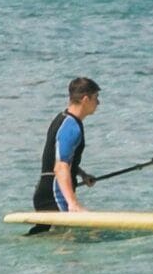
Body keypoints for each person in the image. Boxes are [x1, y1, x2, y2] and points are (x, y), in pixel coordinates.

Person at [29, 76, 104, 215]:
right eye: (96, 98)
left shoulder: (63, 119)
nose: (98, 102)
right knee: (70, 236)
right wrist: (73, 203)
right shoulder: (71, 127)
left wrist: (81, 174)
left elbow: (57, 157)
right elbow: (60, 167)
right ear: (86, 99)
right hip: (55, 195)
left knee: (52, 236)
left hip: (46, 191)